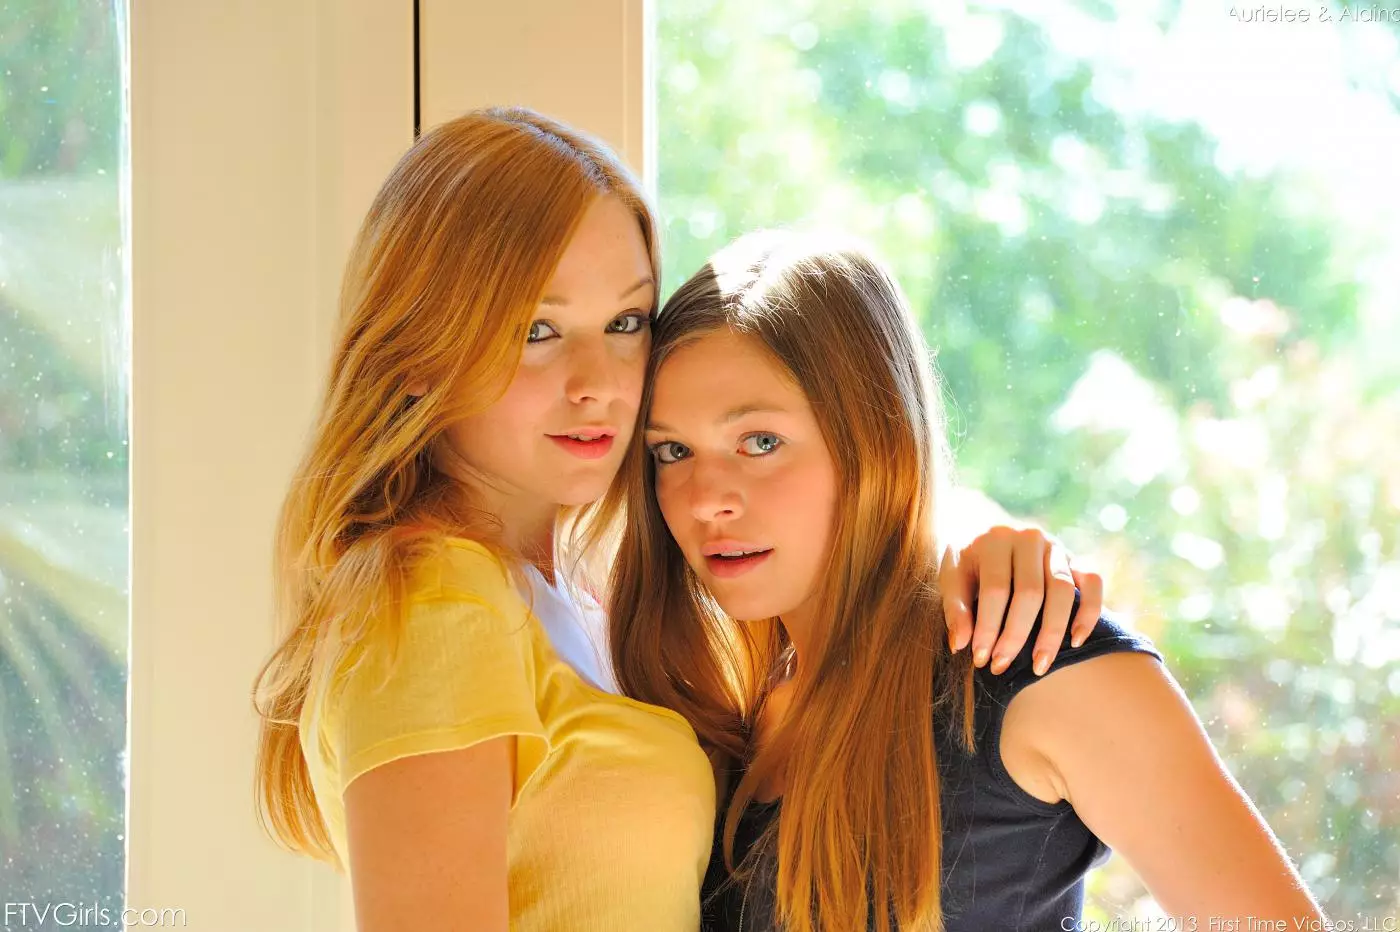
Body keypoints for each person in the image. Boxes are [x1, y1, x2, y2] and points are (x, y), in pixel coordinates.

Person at [252, 107, 1105, 932]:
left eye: (625, 322)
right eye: (538, 329)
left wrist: (971, 551)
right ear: (415, 351)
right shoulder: (433, 601)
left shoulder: (581, 597)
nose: (598, 381)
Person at [607, 229, 1326, 931]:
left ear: (876, 441)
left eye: (759, 441)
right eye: (673, 451)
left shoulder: (1035, 665)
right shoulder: (720, 727)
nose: (706, 499)